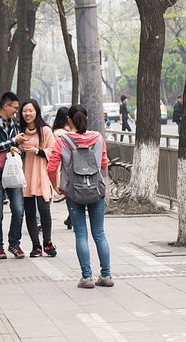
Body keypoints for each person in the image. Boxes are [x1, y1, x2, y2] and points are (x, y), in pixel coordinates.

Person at [47, 105, 112, 289]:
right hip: (96, 192)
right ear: (87, 117)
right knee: (99, 234)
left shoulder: (62, 140)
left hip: (73, 192)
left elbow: (51, 168)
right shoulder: (98, 138)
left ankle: (87, 278)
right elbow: (104, 164)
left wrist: (56, 186)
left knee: (81, 234)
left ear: (68, 120)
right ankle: (106, 276)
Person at [0, 92, 27, 259]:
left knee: (18, 209)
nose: (17, 111)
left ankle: (14, 244)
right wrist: (12, 142)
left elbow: (18, 146)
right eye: (15, 108)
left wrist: (18, 148)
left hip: (13, 172)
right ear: (6, 106)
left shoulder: (14, 125)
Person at [18, 99, 57, 258]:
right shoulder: (20, 132)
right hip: (25, 174)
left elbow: (53, 151)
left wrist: (36, 151)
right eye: (25, 111)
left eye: (30, 111)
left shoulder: (45, 131)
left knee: (44, 209)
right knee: (29, 211)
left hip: (41, 174)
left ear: (36, 112)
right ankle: (36, 246)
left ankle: (47, 242)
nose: (27, 114)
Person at [51, 107, 72, 230]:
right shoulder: (66, 133)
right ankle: (71, 217)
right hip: (69, 166)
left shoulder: (55, 132)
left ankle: (71, 217)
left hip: (60, 166)